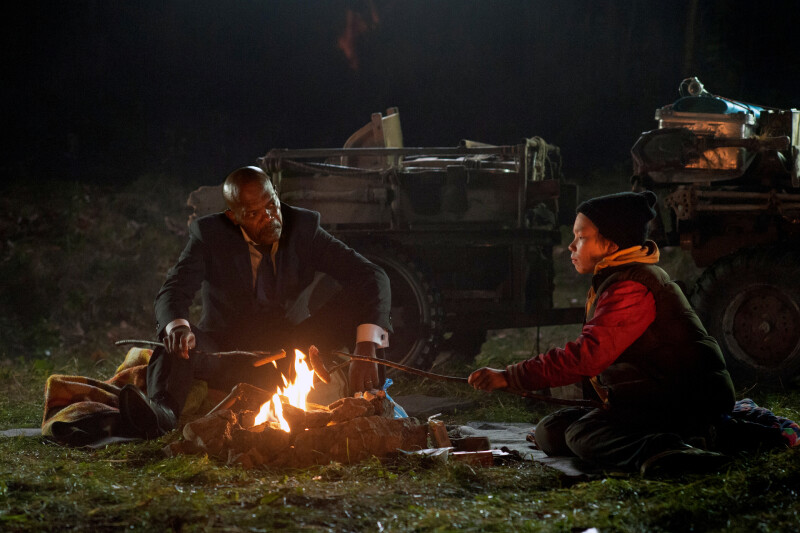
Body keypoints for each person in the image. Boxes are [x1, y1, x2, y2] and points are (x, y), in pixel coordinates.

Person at [468, 191, 736, 475]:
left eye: (581, 237)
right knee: (550, 431)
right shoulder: (613, 279)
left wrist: (511, 376)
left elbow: (587, 357)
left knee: (580, 435)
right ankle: (664, 440)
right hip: (646, 397)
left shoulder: (632, 287)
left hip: (688, 400)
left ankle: (675, 451)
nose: (571, 245)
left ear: (610, 244)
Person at [120, 166, 392, 438]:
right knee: (176, 340)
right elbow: (174, 290)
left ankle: (370, 396)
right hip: (226, 353)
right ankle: (162, 412)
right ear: (233, 216)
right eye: (254, 214)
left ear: (276, 194)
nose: (270, 217)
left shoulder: (303, 228)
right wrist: (177, 327)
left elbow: (371, 275)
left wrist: (365, 347)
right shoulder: (210, 235)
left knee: (362, 305)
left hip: (294, 349)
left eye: (271, 204)